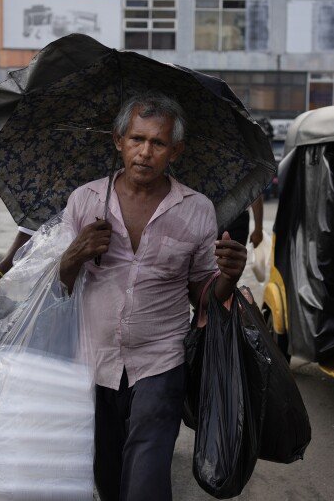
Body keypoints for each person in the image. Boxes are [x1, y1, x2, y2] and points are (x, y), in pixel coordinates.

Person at [53, 93, 246, 501]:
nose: (145, 152)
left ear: (175, 150)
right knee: (106, 475)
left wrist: (228, 277)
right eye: (137, 139)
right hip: (94, 361)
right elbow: (57, 288)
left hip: (161, 362)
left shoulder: (196, 209)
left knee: (145, 480)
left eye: (158, 143)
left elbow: (204, 294)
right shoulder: (84, 201)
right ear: (118, 140)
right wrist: (75, 253)